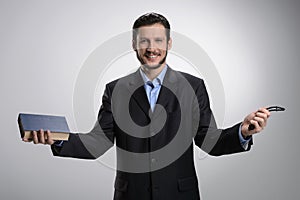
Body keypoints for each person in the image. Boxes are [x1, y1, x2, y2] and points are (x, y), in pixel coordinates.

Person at [23, 12, 270, 200]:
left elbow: (209, 141)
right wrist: (58, 139)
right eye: (144, 41)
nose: (151, 48)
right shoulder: (115, 90)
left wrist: (243, 131)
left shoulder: (193, 87)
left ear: (169, 43)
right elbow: (98, 143)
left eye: (158, 40)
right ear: (134, 44)